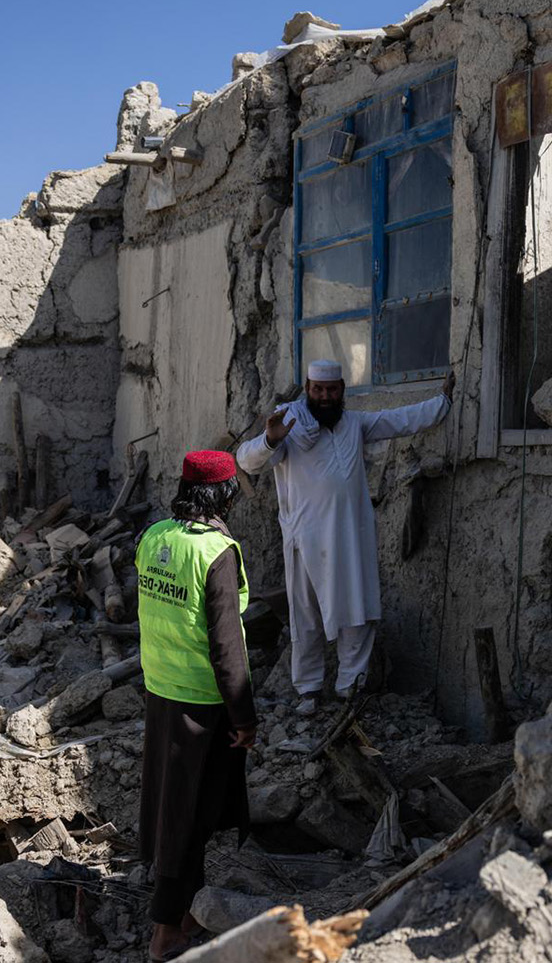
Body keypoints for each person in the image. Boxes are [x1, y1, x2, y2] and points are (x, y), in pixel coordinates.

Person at [236, 359, 455, 716]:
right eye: (318, 390)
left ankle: (350, 686)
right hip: (304, 539)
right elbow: (246, 460)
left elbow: (400, 419)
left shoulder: (354, 424)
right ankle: (308, 689)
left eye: (332, 390)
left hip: (350, 537)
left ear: (342, 391)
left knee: (356, 608)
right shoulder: (289, 424)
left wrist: (441, 402)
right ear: (308, 389)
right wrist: (269, 439)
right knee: (305, 615)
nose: (325, 396)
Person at [137, 450, 256, 962]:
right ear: (224, 494)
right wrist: (244, 716)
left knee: (177, 805)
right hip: (201, 704)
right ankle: (166, 932)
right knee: (186, 818)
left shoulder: (153, 537)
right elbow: (226, 644)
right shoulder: (216, 551)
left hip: (160, 691)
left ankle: (185, 913)